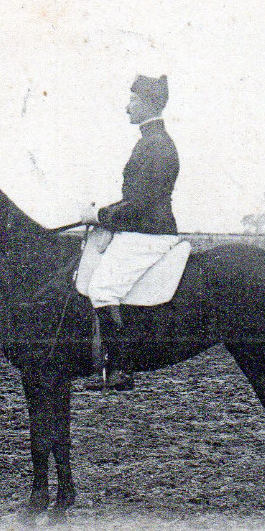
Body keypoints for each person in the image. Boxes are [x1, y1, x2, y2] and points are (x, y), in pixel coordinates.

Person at [79, 74, 180, 391]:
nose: (126, 108)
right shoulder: (150, 141)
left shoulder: (156, 145)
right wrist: (103, 215)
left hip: (149, 234)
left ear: (148, 103)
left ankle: (119, 370)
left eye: (132, 101)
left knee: (102, 290)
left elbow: (140, 203)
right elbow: (134, 199)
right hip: (142, 229)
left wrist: (100, 215)